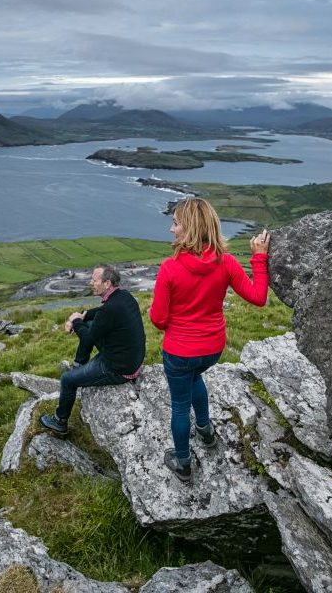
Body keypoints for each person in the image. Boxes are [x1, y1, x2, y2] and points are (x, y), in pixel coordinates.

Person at [149, 198, 270, 483]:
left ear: (189, 228)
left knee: (179, 406)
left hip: (179, 351)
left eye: (176, 223)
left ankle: (183, 463)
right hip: (213, 349)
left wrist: (172, 321)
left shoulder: (170, 268)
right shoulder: (225, 262)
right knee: (194, 380)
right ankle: (205, 431)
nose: (171, 229)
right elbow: (259, 297)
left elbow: (158, 320)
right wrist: (260, 257)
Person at [40, 265, 146, 435]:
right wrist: (83, 316)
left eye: (94, 280)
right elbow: (100, 313)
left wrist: (75, 322)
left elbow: (89, 337)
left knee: (67, 380)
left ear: (107, 283)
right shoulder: (124, 296)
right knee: (88, 324)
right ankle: (79, 364)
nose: (91, 283)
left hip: (118, 368)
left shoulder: (110, 308)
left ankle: (60, 422)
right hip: (130, 358)